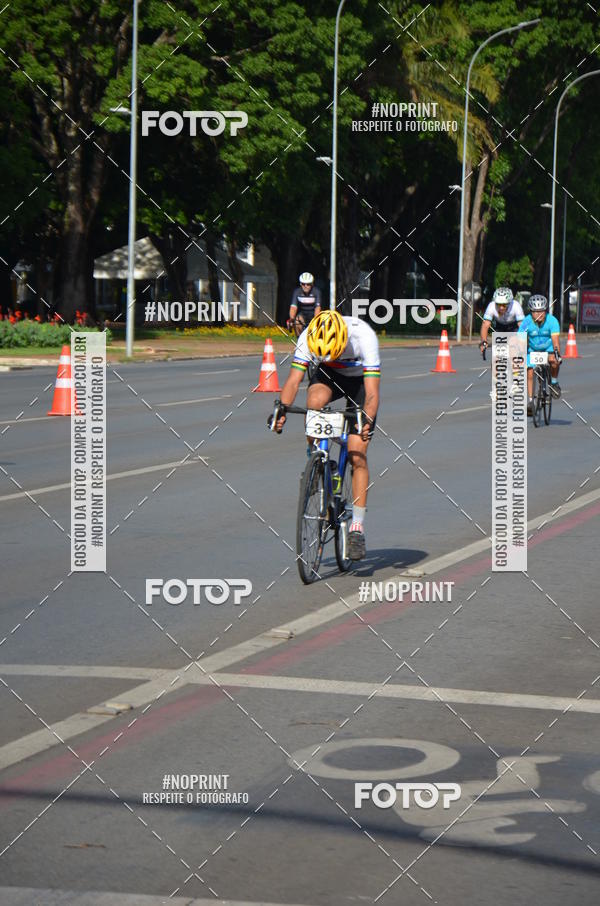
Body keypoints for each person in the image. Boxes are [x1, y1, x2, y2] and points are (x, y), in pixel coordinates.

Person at [273, 310, 380, 561]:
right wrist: (282, 409)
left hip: (359, 381)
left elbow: (373, 392)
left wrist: (368, 419)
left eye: (335, 353)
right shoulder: (309, 337)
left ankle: (356, 526)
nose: (331, 357)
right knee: (313, 401)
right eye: (325, 355)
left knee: (357, 452)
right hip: (329, 377)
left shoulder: (364, 337)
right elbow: (293, 380)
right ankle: (318, 460)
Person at [518, 294, 562, 412]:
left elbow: (555, 340)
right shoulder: (526, 322)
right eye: (535, 312)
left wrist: (556, 353)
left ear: (545, 311)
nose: (539, 314)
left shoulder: (552, 321)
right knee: (530, 371)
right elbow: (520, 339)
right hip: (533, 350)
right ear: (531, 312)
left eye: (541, 311)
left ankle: (554, 382)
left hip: (549, 350)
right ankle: (531, 401)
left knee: (554, 361)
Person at [479, 287, 525, 354]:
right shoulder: (491, 306)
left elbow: (522, 326)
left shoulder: (516, 306)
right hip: (500, 327)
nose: (501, 308)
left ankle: (514, 362)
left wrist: (522, 342)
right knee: (498, 354)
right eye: (498, 304)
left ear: (509, 303)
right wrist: (484, 342)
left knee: (513, 346)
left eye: (504, 305)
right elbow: (485, 325)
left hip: (513, 327)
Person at [287, 272, 322, 336]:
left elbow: (317, 308)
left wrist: (315, 320)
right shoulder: (297, 292)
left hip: (313, 313)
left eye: (308, 284)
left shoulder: (316, 292)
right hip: (302, 313)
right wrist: (291, 319)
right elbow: (293, 307)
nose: (305, 286)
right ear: (300, 284)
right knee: (297, 321)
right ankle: (300, 340)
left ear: (312, 284)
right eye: (303, 284)